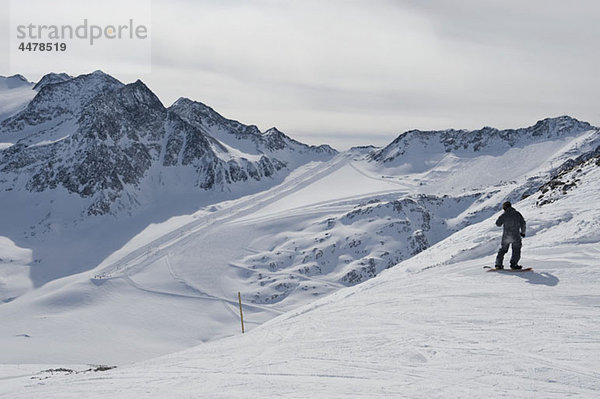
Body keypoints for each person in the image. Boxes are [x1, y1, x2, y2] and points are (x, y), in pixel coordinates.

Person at [494, 201, 526, 270]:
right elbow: (523, 223)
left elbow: (498, 224)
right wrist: (523, 232)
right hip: (516, 236)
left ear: (505, 207)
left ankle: (498, 264)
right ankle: (514, 264)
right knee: (516, 250)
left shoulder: (504, 215)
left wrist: (503, 217)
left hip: (506, 236)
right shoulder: (517, 214)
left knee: (503, 250)